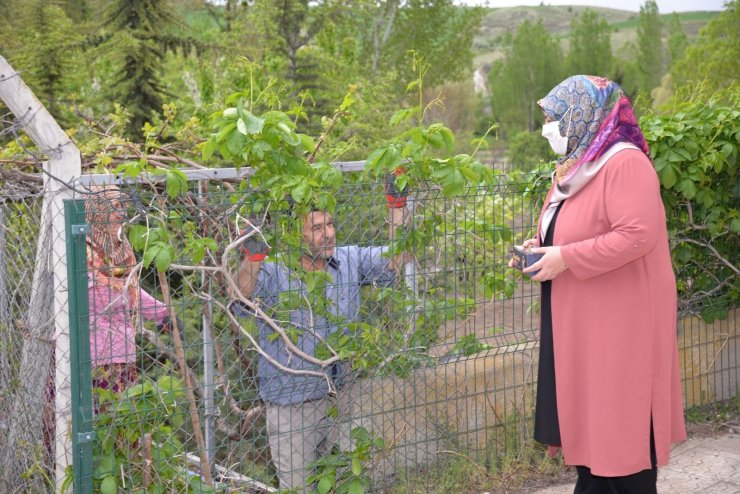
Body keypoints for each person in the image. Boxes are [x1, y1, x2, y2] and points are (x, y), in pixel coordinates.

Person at [510, 75, 687, 493]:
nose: (549, 127)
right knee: (594, 442)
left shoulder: (624, 163)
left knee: (622, 441)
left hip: (621, 326)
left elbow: (637, 235)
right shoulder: (575, 169)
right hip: (585, 323)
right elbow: (576, 229)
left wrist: (565, 257)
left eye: (557, 117)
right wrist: (541, 247)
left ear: (585, 114)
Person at [231, 182, 410, 492]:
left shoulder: (349, 260)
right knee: (299, 487)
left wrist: (397, 208)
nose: (328, 233)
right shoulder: (274, 272)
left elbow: (396, 260)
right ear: (293, 235)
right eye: (316, 227)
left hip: (342, 396)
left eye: (329, 223)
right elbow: (239, 299)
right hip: (292, 405)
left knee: (345, 482)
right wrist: (252, 255)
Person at [85, 185, 171, 396]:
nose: (121, 213)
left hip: (121, 353)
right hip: (86, 357)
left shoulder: (122, 248)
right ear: (97, 211)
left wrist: (163, 314)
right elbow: (103, 297)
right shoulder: (80, 250)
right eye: (114, 207)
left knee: (119, 422)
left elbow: (129, 289)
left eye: (122, 206)